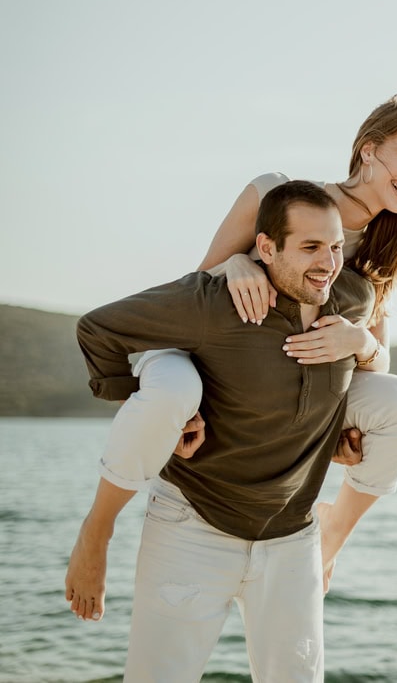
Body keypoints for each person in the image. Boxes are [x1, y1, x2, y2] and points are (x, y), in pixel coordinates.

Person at [66, 93, 397, 623]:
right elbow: (199, 281)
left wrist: (357, 347)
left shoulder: (382, 249)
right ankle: (98, 528)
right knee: (174, 391)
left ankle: (332, 534)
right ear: (368, 151)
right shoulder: (276, 192)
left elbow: (377, 363)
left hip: (283, 381)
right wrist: (236, 266)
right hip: (192, 349)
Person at [72, 181, 380, 681]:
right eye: (309, 247)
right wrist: (162, 413)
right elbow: (96, 329)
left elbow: (369, 373)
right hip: (192, 526)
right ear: (265, 248)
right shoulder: (213, 302)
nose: (327, 262)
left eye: (335, 246)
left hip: (291, 538)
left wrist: (346, 412)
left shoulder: (353, 299)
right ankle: (95, 532)